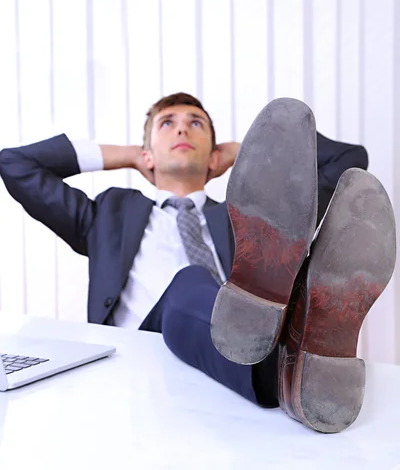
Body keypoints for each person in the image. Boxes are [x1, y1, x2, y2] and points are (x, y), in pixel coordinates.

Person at [0, 93, 395, 434]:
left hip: (231, 350)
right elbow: (15, 164)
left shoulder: (253, 220)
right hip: (141, 345)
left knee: (244, 269)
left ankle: (290, 346)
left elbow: (348, 160)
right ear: (148, 152)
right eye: (167, 123)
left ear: (214, 155)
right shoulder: (107, 214)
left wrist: (254, 149)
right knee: (189, 282)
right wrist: (128, 156)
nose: (183, 130)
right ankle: (293, 359)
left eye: (196, 124)